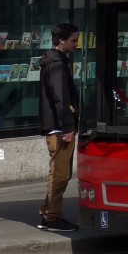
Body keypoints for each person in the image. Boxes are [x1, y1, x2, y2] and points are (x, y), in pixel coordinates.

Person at [37, 22, 80, 232]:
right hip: (59, 128)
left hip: (57, 126)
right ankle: (52, 217)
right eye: (73, 40)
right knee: (60, 173)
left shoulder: (55, 61)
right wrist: (68, 126)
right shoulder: (56, 64)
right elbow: (60, 98)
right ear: (61, 40)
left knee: (61, 172)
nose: (76, 44)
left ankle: (49, 212)